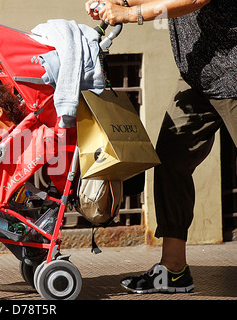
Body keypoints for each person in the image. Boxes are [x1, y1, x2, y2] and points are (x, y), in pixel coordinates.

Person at [85, 0, 237, 293]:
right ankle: (173, 270)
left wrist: (130, 14)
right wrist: (122, 2)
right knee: (171, 161)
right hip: (199, 77)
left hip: (233, 78)